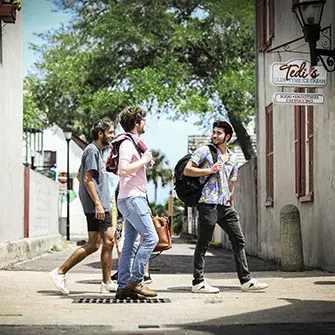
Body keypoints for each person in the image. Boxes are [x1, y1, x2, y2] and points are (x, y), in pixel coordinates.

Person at [184, 119, 269, 293]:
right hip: (208, 203)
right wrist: (209, 170)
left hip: (225, 205)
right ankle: (198, 282)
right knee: (203, 243)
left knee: (238, 240)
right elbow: (188, 170)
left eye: (219, 133)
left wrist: (231, 202)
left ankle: (246, 281)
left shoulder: (232, 158)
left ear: (227, 137)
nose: (214, 135)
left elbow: (232, 182)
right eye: (214, 132)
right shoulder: (204, 151)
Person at [49, 118, 117, 295]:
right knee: (108, 240)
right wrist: (97, 203)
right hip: (98, 206)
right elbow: (86, 179)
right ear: (100, 133)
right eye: (110, 132)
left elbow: (80, 176)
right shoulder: (92, 151)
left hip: (97, 205)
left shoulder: (95, 152)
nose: (113, 135)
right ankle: (60, 272)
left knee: (95, 244)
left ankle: (106, 282)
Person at [114, 105, 159, 299]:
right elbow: (122, 169)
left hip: (130, 198)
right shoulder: (127, 144)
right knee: (151, 238)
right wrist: (144, 160)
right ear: (136, 123)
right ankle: (136, 281)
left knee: (130, 244)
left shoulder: (134, 143)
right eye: (143, 119)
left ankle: (123, 287)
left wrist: (144, 160)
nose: (145, 122)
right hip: (132, 198)